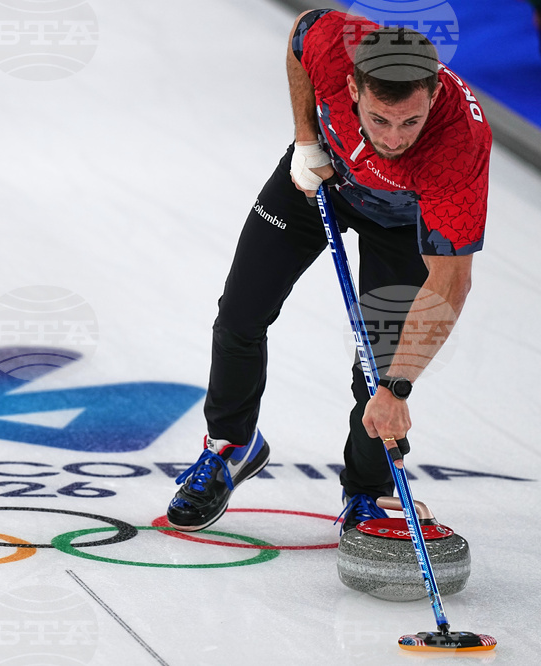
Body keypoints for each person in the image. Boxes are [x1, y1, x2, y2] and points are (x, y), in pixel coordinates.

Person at [166, 9, 491, 533]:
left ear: (433, 95)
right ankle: (232, 445)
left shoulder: (458, 149)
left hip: (402, 221)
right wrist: (305, 138)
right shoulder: (336, 45)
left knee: (381, 365)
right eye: (380, 119)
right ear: (352, 87)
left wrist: (399, 390)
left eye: (411, 120)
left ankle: (366, 493)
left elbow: (450, 282)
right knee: (240, 315)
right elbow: (300, 33)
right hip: (320, 177)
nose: (394, 138)